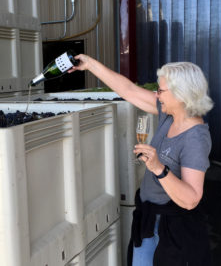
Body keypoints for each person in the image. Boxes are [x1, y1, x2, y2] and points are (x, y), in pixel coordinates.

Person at [70, 55, 213, 266]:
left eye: (161, 90)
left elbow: (191, 199)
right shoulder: (170, 115)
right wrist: (90, 65)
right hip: (149, 220)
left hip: (172, 229)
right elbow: (128, 90)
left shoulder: (195, 138)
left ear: (181, 95)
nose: (157, 95)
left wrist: (159, 169)